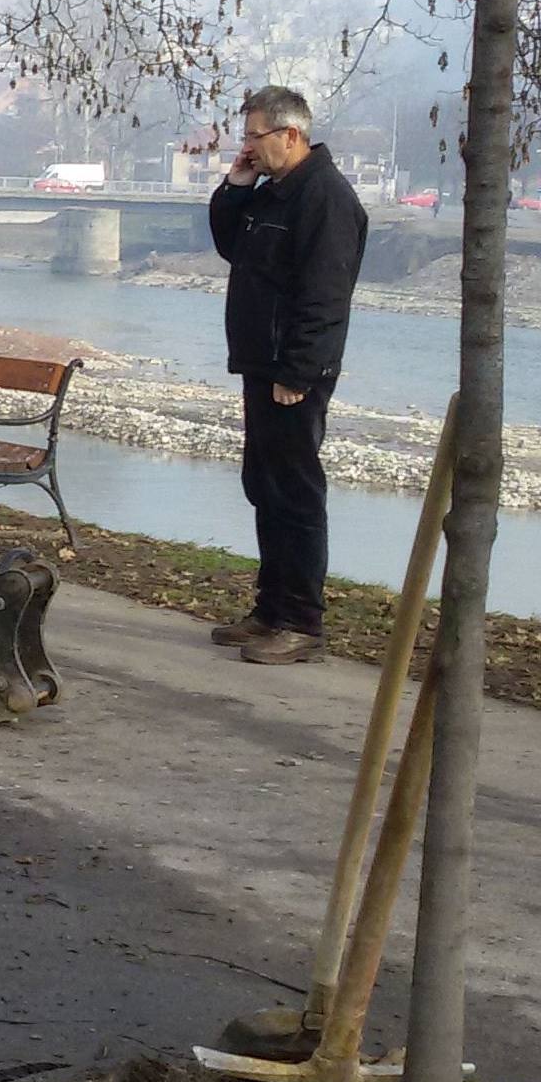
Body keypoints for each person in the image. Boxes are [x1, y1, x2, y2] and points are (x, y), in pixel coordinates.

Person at [209, 84, 367, 664]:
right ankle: (270, 609)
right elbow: (231, 244)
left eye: (255, 137)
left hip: (293, 371)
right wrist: (236, 185)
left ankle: (301, 621)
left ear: (290, 135)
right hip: (262, 362)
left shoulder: (325, 199)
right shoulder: (275, 192)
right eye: (245, 137)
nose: (248, 147)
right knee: (264, 487)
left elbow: (325, 298)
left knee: (295, 494)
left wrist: (300, 370)